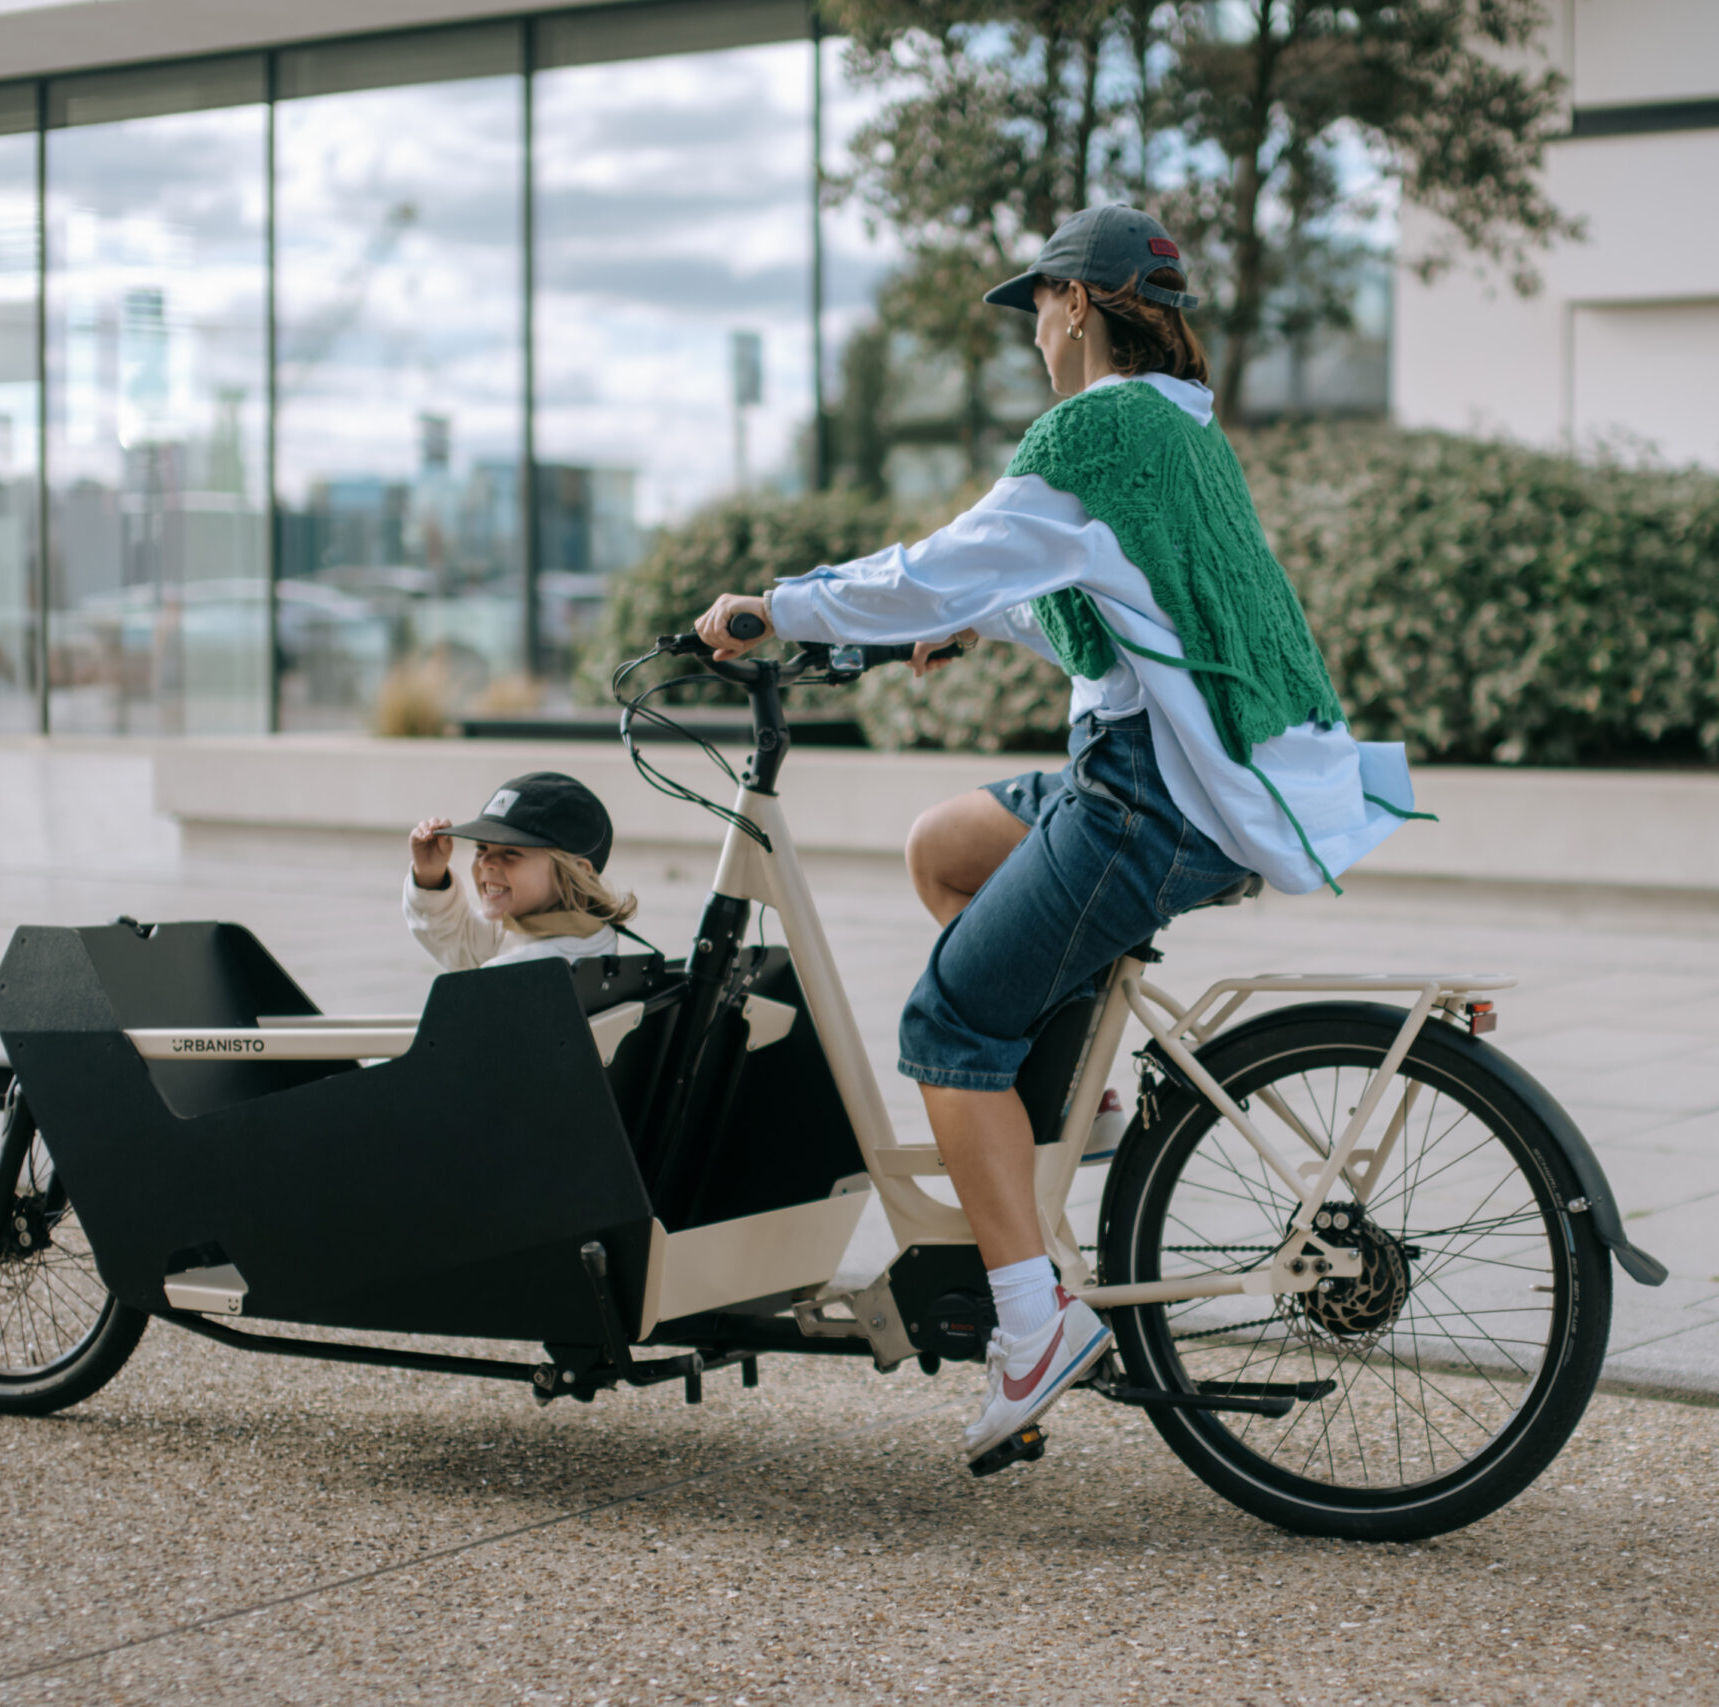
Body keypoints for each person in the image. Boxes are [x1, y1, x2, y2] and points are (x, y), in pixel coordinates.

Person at [694, 204, 1427, 1467]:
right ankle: (1037, 1127)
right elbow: (1124, 611)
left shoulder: (1094, 425)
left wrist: (783, 611)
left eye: (1035, 304)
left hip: (1148, 801)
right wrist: (988, 626)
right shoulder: (1179, 433)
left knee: (947, 1023)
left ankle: (1032, 1326)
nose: (1032, 329)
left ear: (1076, 303)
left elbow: (949, 560)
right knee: (944, 849)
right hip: (1164, 773)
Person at [406, 771, 639, 971]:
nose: (486, 862)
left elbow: (460, 948)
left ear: (577, 872)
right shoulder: (586, 935)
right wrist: (430, 875)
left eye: (511, 852)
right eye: (481, 848)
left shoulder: (519, 972)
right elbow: (461, 940)